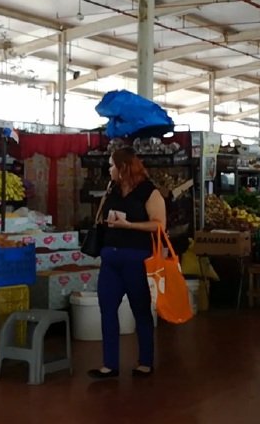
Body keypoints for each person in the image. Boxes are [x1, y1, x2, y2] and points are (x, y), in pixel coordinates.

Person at [88, 147, 166, 379]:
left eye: (112, 165)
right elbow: (98, 219)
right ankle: (109, 364)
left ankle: (145, 362)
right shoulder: (111, 190)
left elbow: (159, 224)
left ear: (123, 168)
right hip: (110, 258)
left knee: (140, 310)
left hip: (137, 258)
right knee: (107, 309)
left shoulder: (149, 192)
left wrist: (129, 225)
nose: (109, 169)